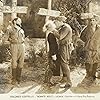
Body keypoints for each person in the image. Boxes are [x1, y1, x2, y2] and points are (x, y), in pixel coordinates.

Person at [2, 17, 25, 85]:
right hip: (14, 46)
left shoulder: (21, 29)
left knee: (21, 61)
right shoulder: (10, 29)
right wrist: (11, 42)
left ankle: (19, 78)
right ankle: (14, 79)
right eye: (19, 20)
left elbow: (23, 37)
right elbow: (4, 39)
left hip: (22, 46)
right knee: (14, 62)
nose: (20, 21)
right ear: (14, 21)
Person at [79, 14, 100, 87]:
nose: (92, 21)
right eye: (91, 20)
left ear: (97, 21)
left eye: (94, 20)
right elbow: (81, 37)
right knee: (88, 61)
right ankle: (88, 74)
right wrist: (87, 41)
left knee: (95, 61)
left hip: (96, 48)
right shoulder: (86, 28)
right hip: (88, 48)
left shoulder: (99, 28)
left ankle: (93, 75)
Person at [54, 16, 73, 88]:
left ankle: (69, 82)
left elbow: (60, 37)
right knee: (62, 63)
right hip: (63, 47)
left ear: (60, 21)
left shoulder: (66, 28)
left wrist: (53, 30)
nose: (56, 24)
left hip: (65, 47)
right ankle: (64, 79)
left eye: (56, 22)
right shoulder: (63, 27)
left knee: (64, 63)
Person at [43, 20, 60, 87]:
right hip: (53, 52)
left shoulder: (49, 33)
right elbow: (52, 45)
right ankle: (51, 81)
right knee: (53, 67)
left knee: (51, 66)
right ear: (50, 27)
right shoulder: (51, 34)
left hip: (52, 52)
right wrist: (53, 54)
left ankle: (49, 80)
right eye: (53, 26)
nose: (54, 27)